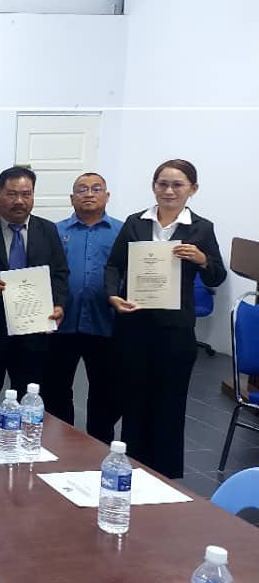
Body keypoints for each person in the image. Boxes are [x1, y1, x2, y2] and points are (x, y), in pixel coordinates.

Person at [104, 159, 226, 479]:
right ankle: (132, 467)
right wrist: (112, 295)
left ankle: (166, 475)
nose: (169, 191)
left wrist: (202, 259)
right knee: (134, 399)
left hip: (175, 329)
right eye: (163, 184)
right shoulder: (135, 222)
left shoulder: (202, 228)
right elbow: (114, 265)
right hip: (135, 324)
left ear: (192, 189)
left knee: (170, 401)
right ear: (153, 186)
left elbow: (216, 276)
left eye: (177, 185)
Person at [0, 166, 68, 411]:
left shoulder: (48, 230)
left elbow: (60, 274)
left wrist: (59, 304)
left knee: (29, 400)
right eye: (12, 194)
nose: (19, 201)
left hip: (33, 332)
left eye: (26, 194)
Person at [46, 172, 123, 443]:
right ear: (72, 198)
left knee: (105, 392)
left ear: (107, 196)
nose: (89, 194)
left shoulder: (122, 232)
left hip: (106, 323)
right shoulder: (54, 232)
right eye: (82, 189)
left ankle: (98, 445)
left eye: (96, 188)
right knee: (56, 388)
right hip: (61, 323)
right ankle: (60, 441)